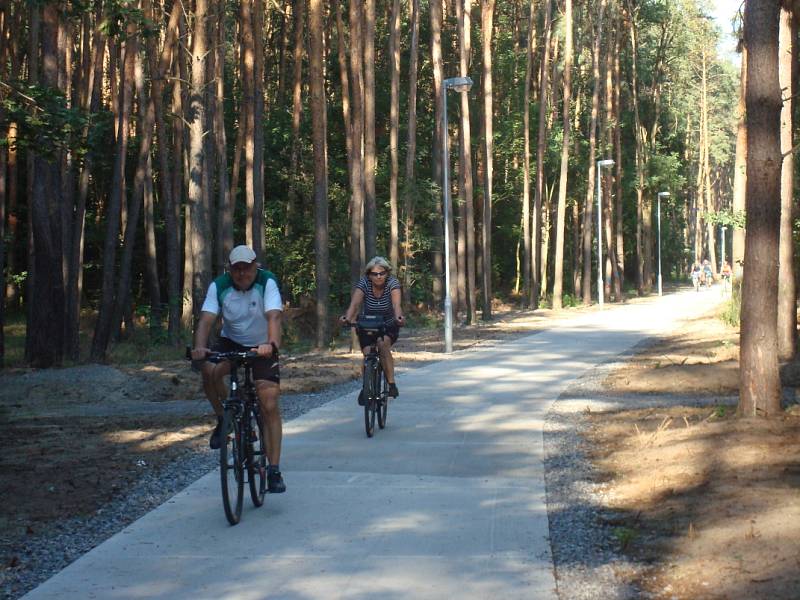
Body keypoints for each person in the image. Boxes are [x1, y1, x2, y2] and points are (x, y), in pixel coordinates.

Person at [190, 245, 286, 493]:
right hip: (231, 341)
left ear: (256, 266)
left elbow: (274, 317)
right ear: (230, 270)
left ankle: (274, 470)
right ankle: (224, 419)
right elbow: (206, 321)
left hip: (263, 344)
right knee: (209, 371)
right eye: (237, 269)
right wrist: (200, 348)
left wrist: (271, 344)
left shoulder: (267, 282)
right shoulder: (219, 286)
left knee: (269, 402)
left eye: (247, 268)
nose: (242, 273)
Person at [340, 256, 405, 404]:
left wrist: (399, 318)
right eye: (375, 274)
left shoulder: (392, 283)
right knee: (367, 353)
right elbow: (355, 304)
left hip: (388, 324)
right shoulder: (364, 283)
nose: (378, 276)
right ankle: (366, 387)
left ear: (387, 273)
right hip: (367, 324)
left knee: (383, 346)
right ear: (369, 274)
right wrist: (347, 318)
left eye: (382, 273)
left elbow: (396, 305)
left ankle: (391, 384)